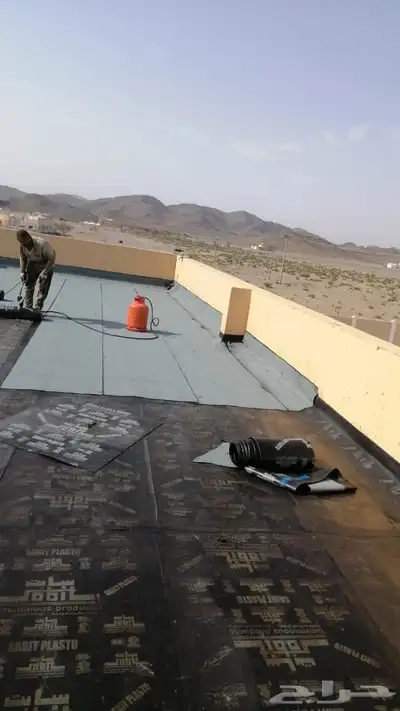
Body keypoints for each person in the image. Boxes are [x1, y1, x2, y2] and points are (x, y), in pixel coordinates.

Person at [16, 229, 56, 311]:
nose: (24, 245)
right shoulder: (22, 245)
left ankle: (38, 307)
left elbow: (51, 259)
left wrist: (44, 272)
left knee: (43, 288)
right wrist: (22, 271)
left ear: (29, 238)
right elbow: (23, 258)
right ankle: (28, 306)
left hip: (46, 264)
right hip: (33, 264)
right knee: (28, 284)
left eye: (25, 243)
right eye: (22, 243)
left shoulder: (42, 244)